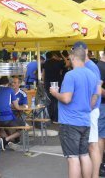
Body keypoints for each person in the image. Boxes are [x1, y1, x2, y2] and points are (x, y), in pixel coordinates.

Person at [50, 47, 99, 178]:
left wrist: (55, 93)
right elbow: (95, 97)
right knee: (84, 155)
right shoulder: (92, 75)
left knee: (72, 158)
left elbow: (66, 98)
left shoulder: (70, 75)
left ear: (73, 57)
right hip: (85, 120)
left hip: (70, 121)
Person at [73, 42, 102, 178]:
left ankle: (94, 175)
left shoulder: (91, 67)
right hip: (85, 111)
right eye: (75, 50)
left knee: (92, 145)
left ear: (86, 50)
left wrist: (89, 107)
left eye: (79, 50)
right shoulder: (84, 66)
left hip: (90, 111)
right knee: (86, 146)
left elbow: (97, 90)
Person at [0, 76, 25, 151]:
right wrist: (24, 107)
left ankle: (4, 141)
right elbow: (17, 107)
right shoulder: (10, 90)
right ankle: (7, 139)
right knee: (24, 126)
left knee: (0, 127)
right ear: (8, 83)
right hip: (7, 119)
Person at [42, 51, 65, 122]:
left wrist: (44, 82)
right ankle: (55, 119)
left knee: (48, 100)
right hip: (56, 83)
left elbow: (43, 74)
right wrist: (62, 55)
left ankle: (49, 118)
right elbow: (67, 63)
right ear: (54, 55)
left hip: (47, 83)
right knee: (55, 101)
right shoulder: (59, 62)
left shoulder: (45, 63)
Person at [97, 51, 105, 176]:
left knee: (100, 136)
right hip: (102, 105)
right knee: (101, 136)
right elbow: (98, 88)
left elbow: (98, 89)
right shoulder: (100, 67)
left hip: (101, 106)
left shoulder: (99, 66)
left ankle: (101, 165)